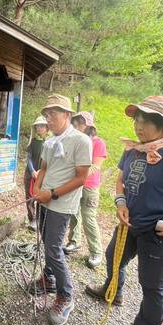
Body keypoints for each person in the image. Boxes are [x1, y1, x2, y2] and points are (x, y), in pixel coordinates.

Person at [85, 96, 163, 325]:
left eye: (147, 120)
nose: (139, 126)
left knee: (152, 285)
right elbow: (121, 180)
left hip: (159, 233)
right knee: (113, 258)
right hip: (130, 224)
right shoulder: (133, 149)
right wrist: (121, 203)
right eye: (137, 120)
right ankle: (113, 291)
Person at [29, 94, 92, 325]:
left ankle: (66, 297)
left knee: (54, 248)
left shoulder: (80, 141)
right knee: (47, 242)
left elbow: (81, 178)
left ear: (66, 115)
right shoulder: (49, 142)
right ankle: (49, 278)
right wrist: (37, 188)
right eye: (47, 114)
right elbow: (43, 168)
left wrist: (52, 193)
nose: (48, 118)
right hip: (44, 199)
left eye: (53, 114)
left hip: (61, 204)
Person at [64, 111, 107, 268]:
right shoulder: (75, 141)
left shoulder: (98, 143)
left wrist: (79, 176)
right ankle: (74, 241)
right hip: (76, 185)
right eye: (74, 123)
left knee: (88, 218)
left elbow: (96, 166)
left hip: (89, 187)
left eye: (80, 123)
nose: (76, 126)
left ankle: (96, 252)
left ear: (88, 126)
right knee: (74, 214)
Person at [24, 116, 51, 231]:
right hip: (30, 174)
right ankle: (32, 220)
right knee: (29, 197)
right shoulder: (33, 142)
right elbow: (28, 158)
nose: (39, 128)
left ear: (47, 127)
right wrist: (33, 171)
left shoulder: (50, 142)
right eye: (37, 126)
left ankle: (40, 220)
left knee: (40, 197)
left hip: (43, 175)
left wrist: (41, 172)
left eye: (41, 126)